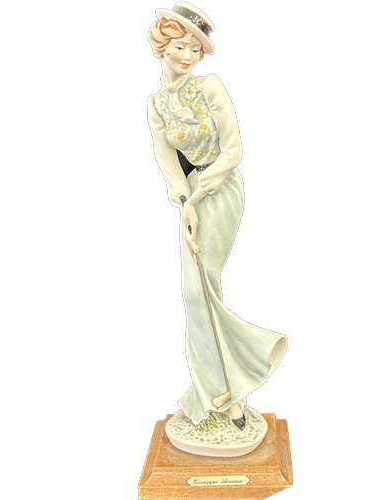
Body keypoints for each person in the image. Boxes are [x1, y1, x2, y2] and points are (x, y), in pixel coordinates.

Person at [147, 2, 287, 430]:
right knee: (195, 293)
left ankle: (238, 381)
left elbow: (233, 151)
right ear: (162, 44)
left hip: (221, 189)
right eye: (181, 46)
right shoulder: (156, 104)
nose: (189, 56)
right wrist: (184, 201)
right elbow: (168, 163)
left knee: (203, 287)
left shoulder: (208, 87)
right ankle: (216, 391)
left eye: (196, 49)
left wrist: (198, 196)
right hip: (191, 198)